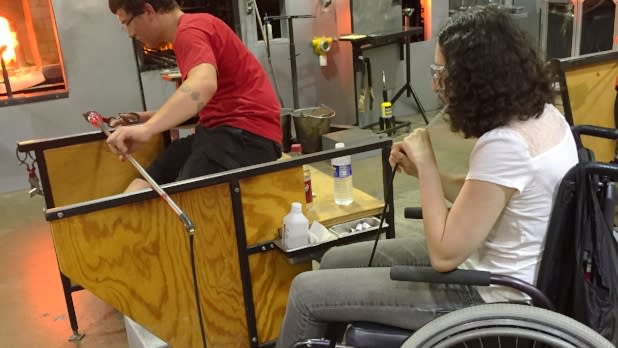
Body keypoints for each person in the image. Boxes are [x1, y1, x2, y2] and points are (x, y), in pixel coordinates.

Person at [276, 6, 579, 347]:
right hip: (489, 265)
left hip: (492, 297)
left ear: (475, 77)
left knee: (305, 291)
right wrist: (423, 169)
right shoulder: (544, 117)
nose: (435, 84)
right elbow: (481, 195)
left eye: (440, 72)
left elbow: (444, 255)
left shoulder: (506, 144)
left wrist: (428, 168)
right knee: (335, 259)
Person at [107, 0, 282, 191]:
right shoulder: (192, 28)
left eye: (127, 23)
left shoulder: (190, 31)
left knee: (186, 201)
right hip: (221, 133)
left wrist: (147, 129)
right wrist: (142, 119)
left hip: (245, 137)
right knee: (146, 182)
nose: (130, 33)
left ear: (148, 11)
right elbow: (200, 106)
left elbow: (203, 85)